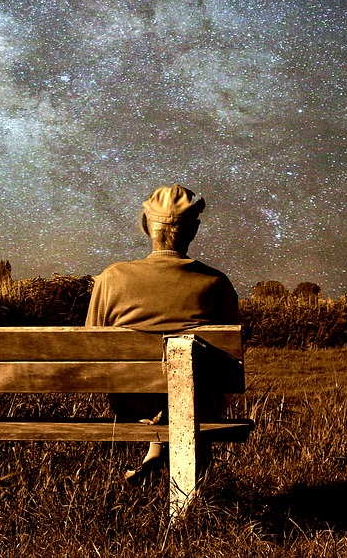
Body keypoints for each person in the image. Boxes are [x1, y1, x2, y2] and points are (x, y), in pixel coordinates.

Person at [85, 184, 239, 483]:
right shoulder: (216, 283)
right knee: (195, 387)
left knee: (163, 389)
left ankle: (155, 455)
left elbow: (92, 345)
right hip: (199, 400)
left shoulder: (112, 277)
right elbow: (230, 360)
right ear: (193, 230)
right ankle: (192, 502)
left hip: (131, 402)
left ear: (146, 226)